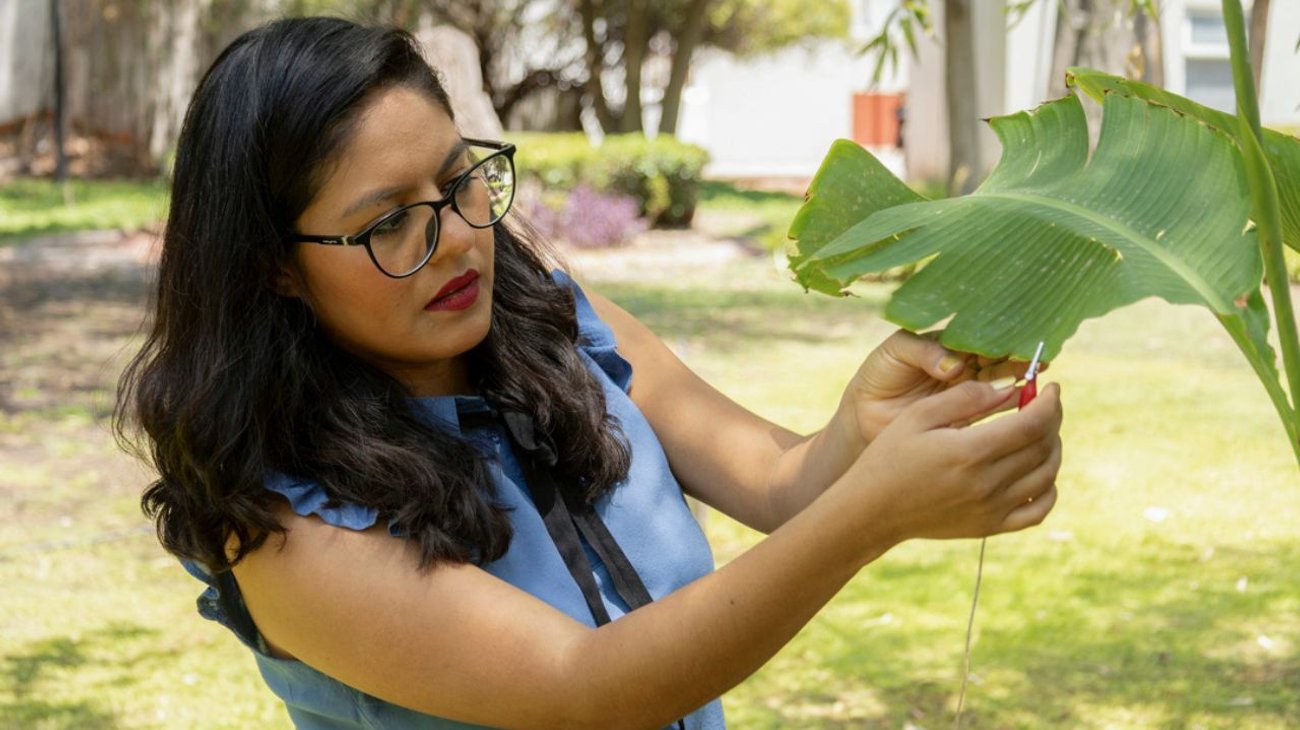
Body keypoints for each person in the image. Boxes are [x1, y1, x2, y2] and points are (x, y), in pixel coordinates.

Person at [115, 17, 1063, 730]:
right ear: (274, 265)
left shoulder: (552, 318)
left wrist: (865, 430)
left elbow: (781, 483)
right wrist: (877, 514)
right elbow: (586, 688)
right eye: (387, 222)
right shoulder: (285, 527)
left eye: (459, 182)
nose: (457, 243)